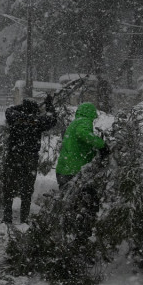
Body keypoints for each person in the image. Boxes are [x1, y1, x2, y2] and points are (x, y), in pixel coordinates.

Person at [55, 101, 109, 245]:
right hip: (74, 172)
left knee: (68, 205)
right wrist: (102, 145)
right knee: (87, 204)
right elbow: (82, 134)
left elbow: (79, 143)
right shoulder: (84, 122)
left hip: (63, 170)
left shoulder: (74, 123)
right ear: (91, 113)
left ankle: (66, 236)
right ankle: (80, 239)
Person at [2, 95, 57, 224]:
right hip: (30, 157)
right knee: (27, 189)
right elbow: (52, 119)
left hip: (13, 155)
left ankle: (7, 217)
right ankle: (24, 219)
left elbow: (8, 111)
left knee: (9, 187)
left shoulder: (15, 116)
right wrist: (49, 105)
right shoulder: (39, 121)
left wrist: (21, 108)